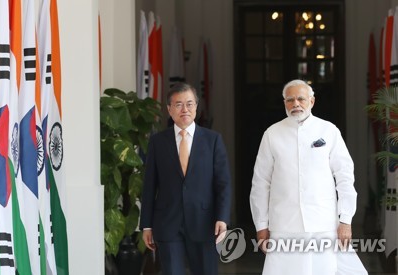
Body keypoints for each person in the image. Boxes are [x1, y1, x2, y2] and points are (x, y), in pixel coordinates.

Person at [249, 79, 367, 275]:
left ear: (312, 101)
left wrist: (346, 219)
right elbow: (260, 183)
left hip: (323, 222)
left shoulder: (328, 131)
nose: (295, 104)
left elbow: (345, 176)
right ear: (284, 103)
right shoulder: (272, 134)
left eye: (301, 99)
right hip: (284, 225)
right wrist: (261, 225)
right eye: (290, 100)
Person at [140, 82, 232, 275]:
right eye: (178, 104)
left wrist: (222, 218)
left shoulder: (213, 140)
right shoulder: (158, 142)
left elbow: (223, 183)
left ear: (196, 107)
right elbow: (149, 185)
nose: (185, 109)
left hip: (205, 223)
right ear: (169, 109)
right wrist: (146, 224)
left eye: (189, 104)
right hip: (168, 223)